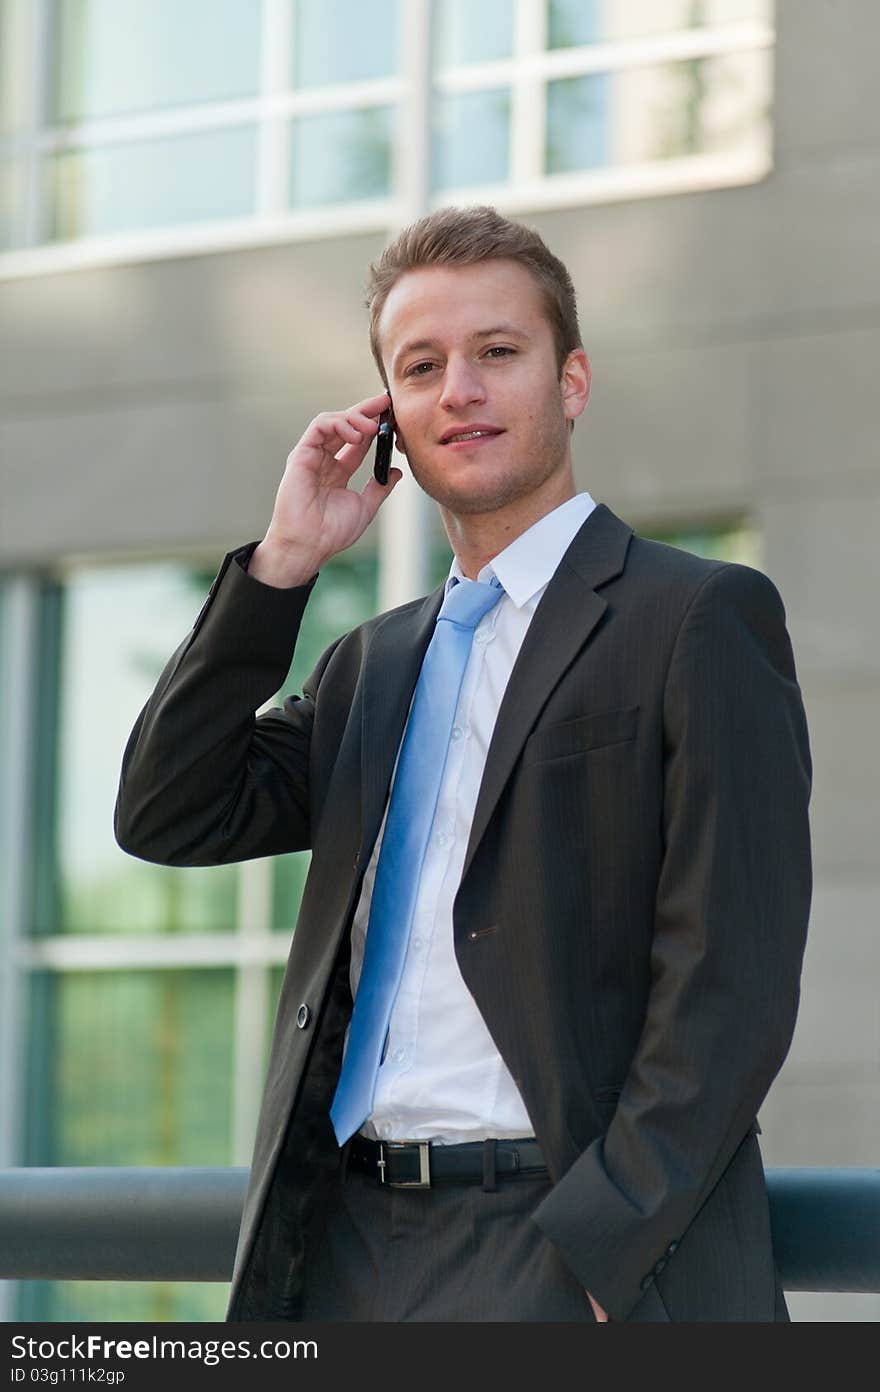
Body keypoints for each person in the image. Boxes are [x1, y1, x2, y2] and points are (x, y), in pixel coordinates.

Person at [114, 205, 812, 1323]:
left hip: (563, 1250)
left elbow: (731, 971)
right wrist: (284, 563)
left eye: (498, 354)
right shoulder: (370, 665)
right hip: (344, 1245)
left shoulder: (697, 617)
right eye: (422, 366)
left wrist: (604, 1243)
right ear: (390, 413)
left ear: (570, 381)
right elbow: (167, 811)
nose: (461, 391)